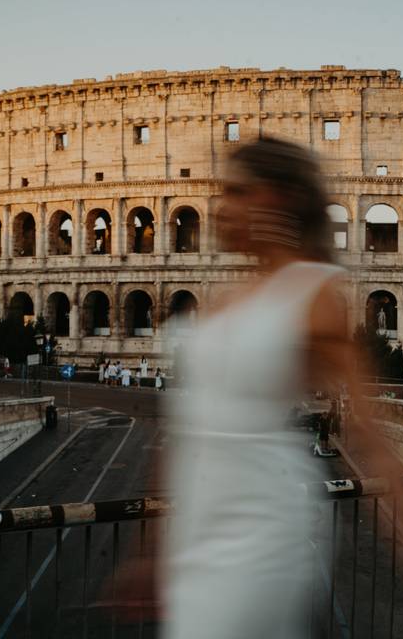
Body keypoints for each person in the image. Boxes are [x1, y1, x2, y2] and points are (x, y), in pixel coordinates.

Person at [160, 138, 375, 639]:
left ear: (276, 199)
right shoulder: (226, 296)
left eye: (236, 192)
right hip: (200, 520)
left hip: (263, 518)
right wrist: (153, 550)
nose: (221, 207)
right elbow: (184, 422)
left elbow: (368, 428)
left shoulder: (316, 292)